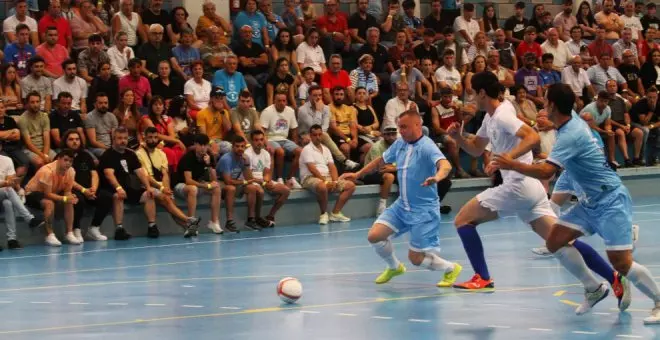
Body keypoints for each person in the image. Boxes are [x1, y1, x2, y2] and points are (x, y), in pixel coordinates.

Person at [447, 72, 625, 316]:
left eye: (471, 92)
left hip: (518, 185)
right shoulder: (491, 118)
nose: (469, 97)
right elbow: (477, 150)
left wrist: (509, 158)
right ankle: (608, 280)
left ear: (481, 93)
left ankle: (482, 277)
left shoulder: (503, 116)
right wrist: (458, 138)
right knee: (561, 241)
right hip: (529, 189)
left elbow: (531, 137)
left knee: (462, 220)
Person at [492, 83, 660, 324]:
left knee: (621, 263)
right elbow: (562, 116)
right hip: (589, 202)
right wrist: (548, 123)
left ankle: (658, 300)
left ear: (553, 106)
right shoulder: (568, 119)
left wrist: (512, 164)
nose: (542, 105)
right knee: (554, 240)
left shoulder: (571, 135)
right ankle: (593, 288)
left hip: (610, 200)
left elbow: (546, 172)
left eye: (545, 101)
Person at [341, 109, 461, 286]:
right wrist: (358, 173)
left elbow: (445, 165)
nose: (401, 131)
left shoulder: (427, 146)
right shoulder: (400, 143)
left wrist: (437, 177)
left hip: (423, 210)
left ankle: (451, 268)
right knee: (374, 236)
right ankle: (394, 267)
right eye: (399, 127)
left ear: (417, 125)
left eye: (404, 127)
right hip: (402, 205)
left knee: (416, 258)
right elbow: (380, 161)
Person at [136, 127, 201, 237]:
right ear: (144, 137)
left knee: (170, 203)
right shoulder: (139, 154)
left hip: (162, 187)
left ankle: (187, 226)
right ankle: (189, 219)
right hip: (147, 186)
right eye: (150, 137)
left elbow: (165, 174)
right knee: (167, 200)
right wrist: (162, 189)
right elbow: (146, 176)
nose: (153, 140)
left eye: (155, 137)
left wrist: (166, 188)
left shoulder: (161, 154)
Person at [98, 127, 159, 240]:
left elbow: (140, 172)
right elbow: (109, 174)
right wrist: (119, 188)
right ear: (113, 139)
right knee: (118, 196)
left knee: (148, 194)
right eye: (120, 138)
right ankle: (119, 229)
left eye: (125, 138)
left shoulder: (130, 154)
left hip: (128, 188)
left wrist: (148, 187)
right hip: (110, 189)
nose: (123, 141)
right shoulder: (108, 155)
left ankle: (152, 226)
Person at [300, 124, 355, 224]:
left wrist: (334, 181)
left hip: (327, 177)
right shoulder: (306, 149)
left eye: (320, 135)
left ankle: (335, 213)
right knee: (322, 187)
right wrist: (325, 182)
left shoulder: (326, 149)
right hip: (309, 178)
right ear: (310, 136)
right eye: (315, 135)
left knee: (350, 186)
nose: (317, 137)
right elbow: (312, 169)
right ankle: (323, 214)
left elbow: (332, 166)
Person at [24, 149, 80, 246]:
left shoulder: (71, 171)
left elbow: (67, 191)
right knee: (49, 203)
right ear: (58, 159)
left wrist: (70, 197)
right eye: (65, 160)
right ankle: (49, 235)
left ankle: (69, 233)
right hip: (32, 194)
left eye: (70, 161)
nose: (68, 163)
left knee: (69, 201)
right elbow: (48, 194)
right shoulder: (47, 171)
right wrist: (65, 198)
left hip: (51, 193)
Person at [64, 129, 111, 242]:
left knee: (106, 197)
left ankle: (94, 228)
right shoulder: (62, 157)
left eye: (77, 139)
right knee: (77, 199)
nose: (75, 142)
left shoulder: (86, 155)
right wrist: (84, 190)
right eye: (71, 139)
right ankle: (76, 229)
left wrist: (93, 188)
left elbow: (94, 174)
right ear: (65, 141)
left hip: (89, 189)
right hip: (73, 189)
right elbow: (67, 179)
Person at [174, 133, 223, 234]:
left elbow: (214, 180)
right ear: (196, 145)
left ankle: (214, 222)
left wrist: (209, 165)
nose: (203, 148)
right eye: (201, 145)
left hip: (196, 184)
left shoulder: (208, 157)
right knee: (193, 188)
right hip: (180, 185)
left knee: (217, 188)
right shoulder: (188, 157)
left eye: (205, 145)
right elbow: (188, 180)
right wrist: (206, 185)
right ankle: (191, 224)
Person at [244, 130, 290, 226]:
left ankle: (270, 216)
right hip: (251, 180)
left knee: (286, 190)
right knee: (259, 190)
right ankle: (256, 218)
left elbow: (267, 172)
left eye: (261, 139)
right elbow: (248, 175)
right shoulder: (247, 154)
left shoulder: (266, 153)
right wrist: (263, 182)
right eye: (256, 140)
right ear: (251, 141)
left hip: (262, 181)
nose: (259, 142)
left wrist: (267, 180)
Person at [217, 136, 263, 231]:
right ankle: (229, 221)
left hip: (234, 182)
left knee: (252, 188)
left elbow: (249, 178)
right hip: (220, 183)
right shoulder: (226, 159)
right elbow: (228, 181)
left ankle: (251, 220)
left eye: (242, 146)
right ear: (232, 147)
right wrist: (246, 181)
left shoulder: (244, 158)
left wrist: (246, 164)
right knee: (231, 188)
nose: (240, 149)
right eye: (237, 146)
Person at [0, 151, 44, 249]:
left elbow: (10, 181)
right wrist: (7, 183)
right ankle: (29, 218)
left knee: (7, 203)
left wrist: (16, 180)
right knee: (8, 190)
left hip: (3, 193)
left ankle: (12, 240)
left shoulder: (7, 160)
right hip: (4, 190)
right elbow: (6, 183)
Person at [359, 125, 397, 216]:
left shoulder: (398, 146)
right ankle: (381, 207)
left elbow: (404, 164)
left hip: (391, 170)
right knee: (389, 176)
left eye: (393, 134)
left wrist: (394, 167)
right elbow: (381, 169)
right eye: (388, 135)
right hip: (370, 174)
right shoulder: (377, 147)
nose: (391, 137)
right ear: (383, 136)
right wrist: (396, 166)